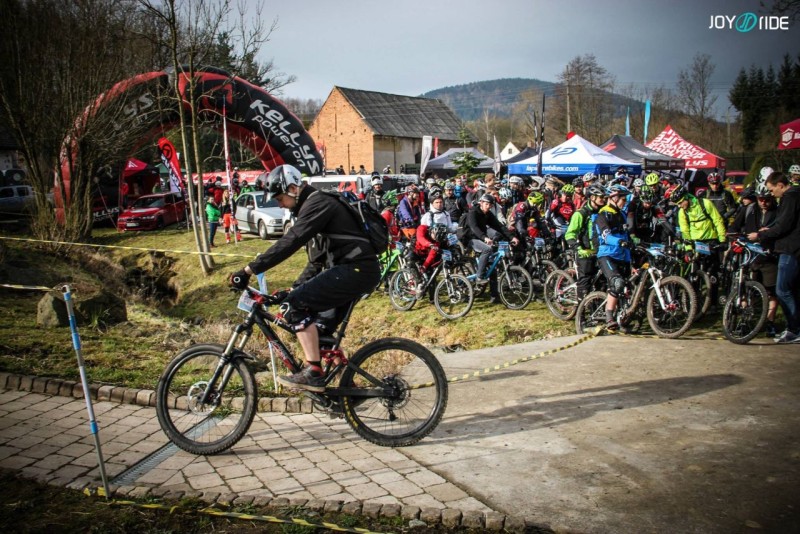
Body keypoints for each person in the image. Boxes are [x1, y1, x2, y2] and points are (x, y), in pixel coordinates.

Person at [229, 164, 381, 390]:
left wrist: (249, 270)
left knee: (294, 307)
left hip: (355, 269)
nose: (279, 204)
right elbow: (316, 261)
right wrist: (294, 287)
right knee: (318, 331)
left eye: (280, 198)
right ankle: (350, 390)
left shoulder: (318, 203)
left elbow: (290, 241)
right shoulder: (313, 205)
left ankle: (313, 372)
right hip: (352, 271)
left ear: (292, 188)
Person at [748, 172, 800, 344]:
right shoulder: (793, 196)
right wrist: (768, 229)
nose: (770, 194)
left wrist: (762, 235)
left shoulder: (790, 198)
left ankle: (795, 329)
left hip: (791, 249)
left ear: (780, 185)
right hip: (791, 247)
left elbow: (784, 225)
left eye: (771, 190)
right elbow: (781, 222)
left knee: (782, 290)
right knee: (792, 290)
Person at [732, 183, 779, 336]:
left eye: (766, 199)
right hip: (751, 256)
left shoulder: (779, 212)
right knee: (746, 290)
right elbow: (734, 227)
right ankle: (745, 321)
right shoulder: (749, 209)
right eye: (761, 199)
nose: (763, 202)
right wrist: (733, 237)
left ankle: (770, 322)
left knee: (771, 292)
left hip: (769, 256)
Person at [467, 194, 519, 302]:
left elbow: (499, 226)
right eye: (486, 204)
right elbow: (474, 227)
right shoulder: (473, 212)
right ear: (481, 203)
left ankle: (494, 295)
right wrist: (484, 238)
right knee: (487, 249)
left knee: (493, 266)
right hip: (471, 239)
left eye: (490, 205)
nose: (488, 207)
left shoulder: (488, 214)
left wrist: (512, 237)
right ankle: (479, 277)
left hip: (482, 239)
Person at [594, 185, 633, 330]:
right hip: (607, 254)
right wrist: (620, 241)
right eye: (623, 199)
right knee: (617, 283)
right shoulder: (602, 215)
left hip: (622, 255)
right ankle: (609, 317)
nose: (625, 202)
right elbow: (606, 236)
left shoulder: (621, 214)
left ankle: (622, 318)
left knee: (627, 286)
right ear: (614, 198)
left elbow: (626, 235)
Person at [565, 184, 608, 300]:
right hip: (584, 251)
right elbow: (570, 233)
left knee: (601, 281)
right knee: (585, 281)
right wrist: (578, 248)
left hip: (600, 251)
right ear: (592, 197)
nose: (604, 200)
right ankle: (581, 313)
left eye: (605, 197)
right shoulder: (581, 214)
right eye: (601, 197)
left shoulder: (603, 213)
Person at [415, 192, 458, 275]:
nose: (439, 204)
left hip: (440, 239)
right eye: (437, 202)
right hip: (424, 246)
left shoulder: (446, 214)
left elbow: (449, 227)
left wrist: (455, 230)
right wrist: (429, 244)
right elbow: (421, 236)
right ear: (432, 203)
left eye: (441, 202)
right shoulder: (428, 216)